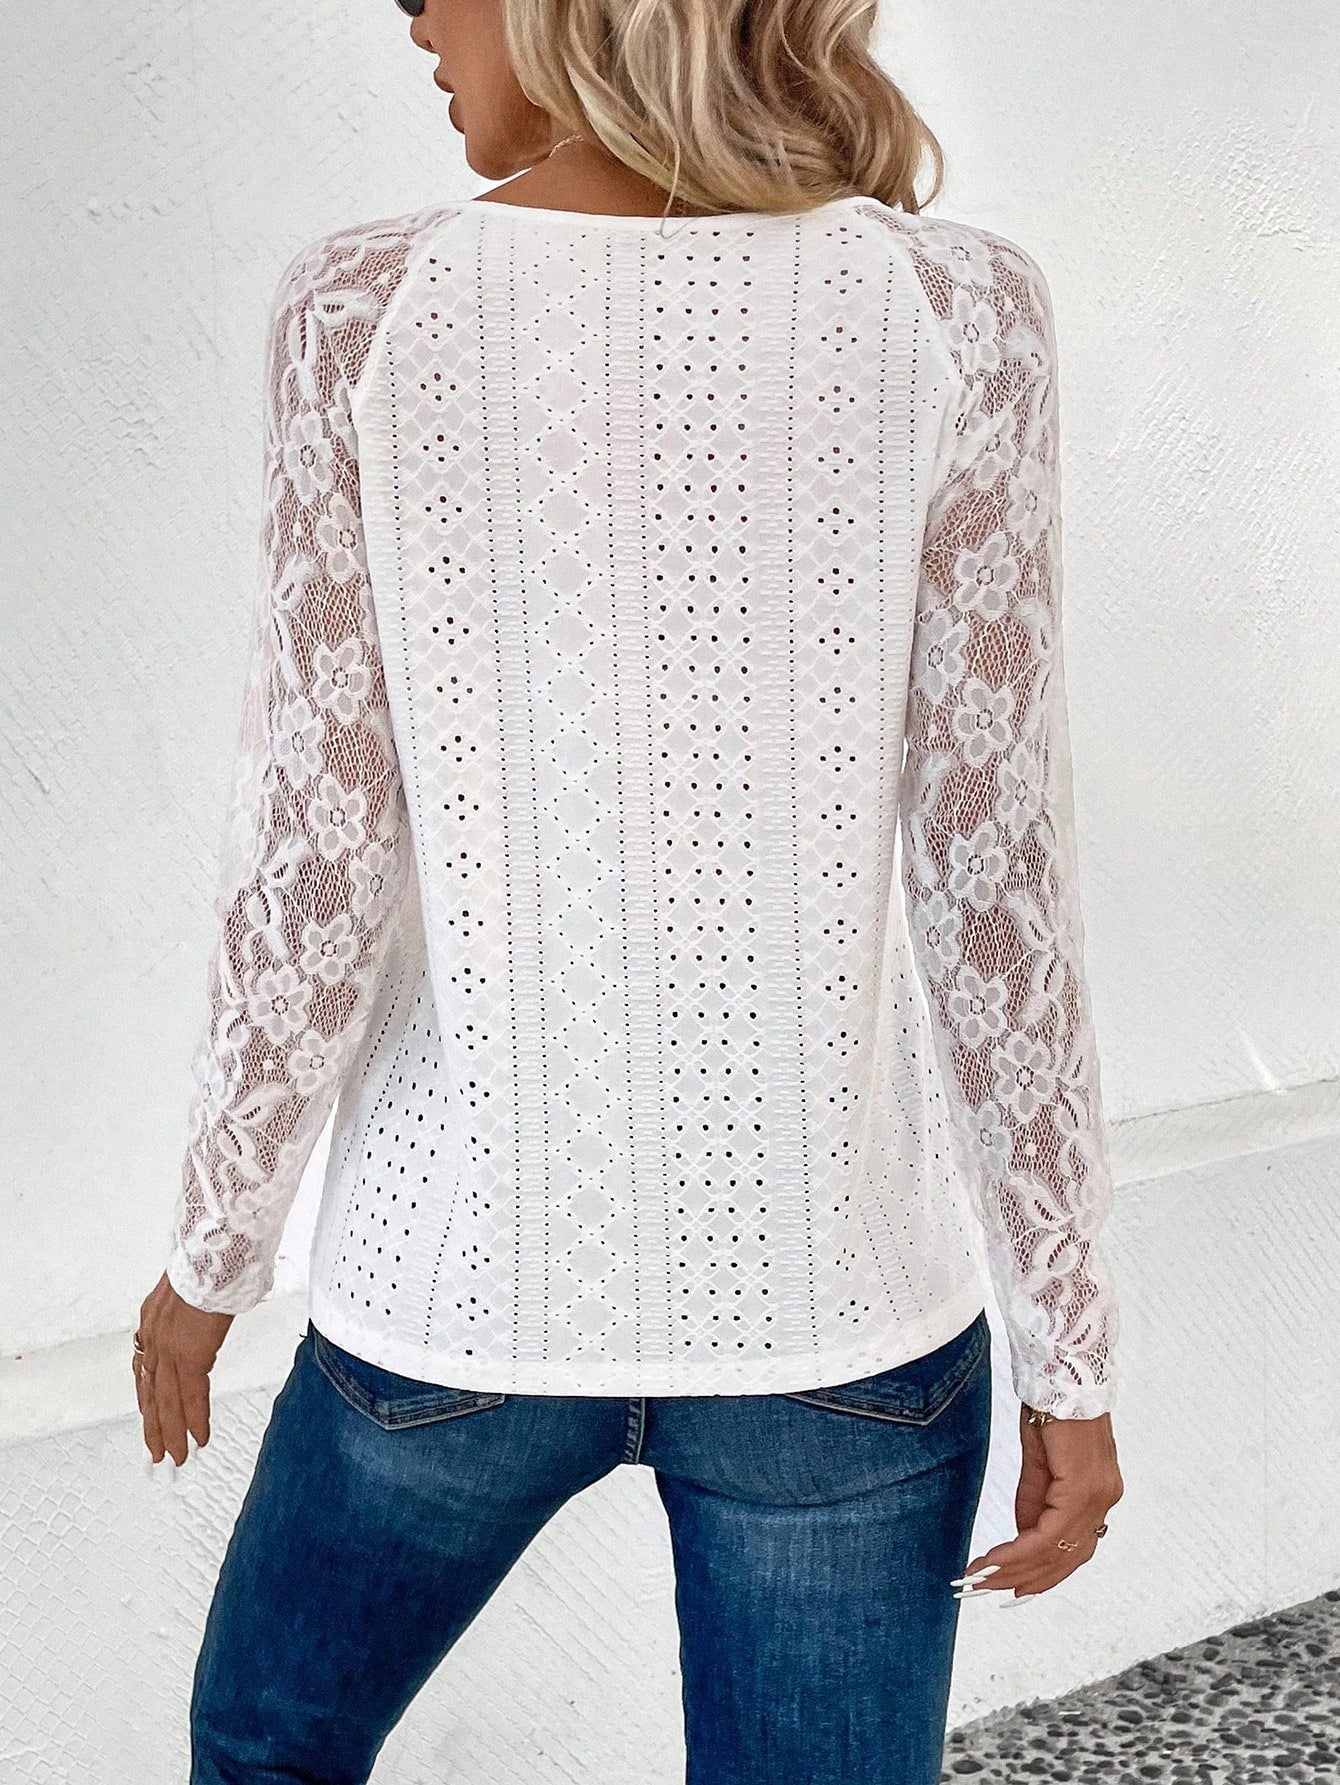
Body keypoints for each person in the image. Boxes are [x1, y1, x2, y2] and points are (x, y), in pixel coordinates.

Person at [132, 0, 1125, 1778]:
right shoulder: (956, 309)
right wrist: (1073, 1350)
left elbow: (314, 842)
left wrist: (211, 1249)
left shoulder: (369, 310)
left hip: (458, 1294)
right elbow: (998, 880)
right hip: (842, 1325)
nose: (408, 13)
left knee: (266, 1749)